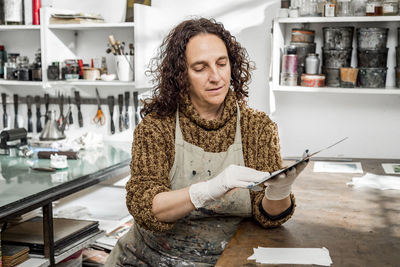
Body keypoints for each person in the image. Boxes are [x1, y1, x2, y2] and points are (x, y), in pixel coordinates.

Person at [105, 17, 308, 267]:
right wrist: (209, 189)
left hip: (226, 260)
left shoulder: (257, 127)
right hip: (148, 259)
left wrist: (279, 191)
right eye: (200, 68)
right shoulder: (157, 127)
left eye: (222, 64)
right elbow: (146, 207)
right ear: (181, 76)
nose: (215, 77)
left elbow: (269, 217)